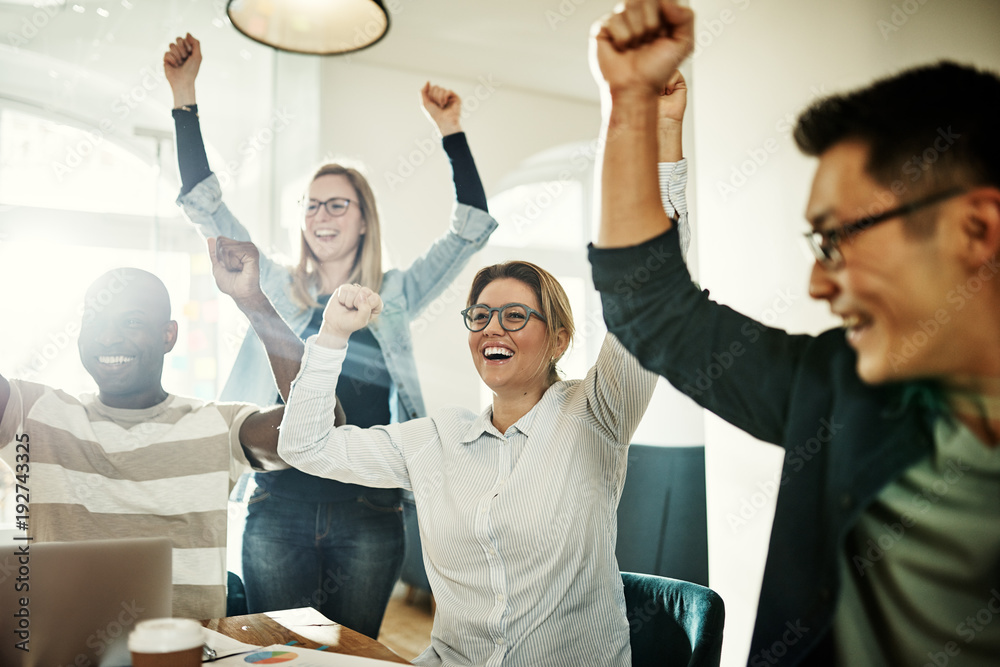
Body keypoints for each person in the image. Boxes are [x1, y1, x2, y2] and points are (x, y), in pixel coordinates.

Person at [588, 2, 1000, 665]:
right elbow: (651, 308)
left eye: (837, 238)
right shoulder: (838, 383)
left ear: (974, 230)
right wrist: (632, 101)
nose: (815, 283)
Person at [163, 34, 499, 637]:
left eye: (337, 205)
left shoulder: (393, 295)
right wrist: (183, 96)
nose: (321, 216)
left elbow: (470, 228)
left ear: (365, 217)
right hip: (278, 506)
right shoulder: (271, 281)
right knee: (275, 651)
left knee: (353, 653)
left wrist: (451, 130)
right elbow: (205, 206)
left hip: (369, 511)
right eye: (312, 206)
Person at [206, 232, 658, 665]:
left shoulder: (597, 413)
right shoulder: (437, 439)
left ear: (559, 340)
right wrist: (332, 335)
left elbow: (651, 291)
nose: (492, 329)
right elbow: (304, 446)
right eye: (480, 317)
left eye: (515, 316)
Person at [0, 268, 286, 619]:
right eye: (93, 320)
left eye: (131, 322)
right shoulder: (33, 414)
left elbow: (317, 427)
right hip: (62, 653)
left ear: (168, 335)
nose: (107, 338)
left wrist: (255, 303)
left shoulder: (218, 424)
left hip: (188, 653)